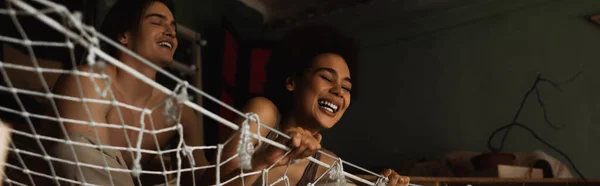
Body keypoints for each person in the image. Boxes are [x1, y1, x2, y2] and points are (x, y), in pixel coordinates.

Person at [203, 25, 411, 186]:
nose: (339, 91)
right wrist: (264, 159)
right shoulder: (263, 113)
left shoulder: (327, 163)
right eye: (327, 78)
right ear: (292, 81)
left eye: (346, 87)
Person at [51, 0, 208, 185]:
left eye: (173, 27)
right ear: (123, 35)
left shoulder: (178, 111)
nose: (171, 32)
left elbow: (201, 179)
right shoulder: (89, 81)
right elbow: (87, 165)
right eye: (157, 22)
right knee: (77, 148)